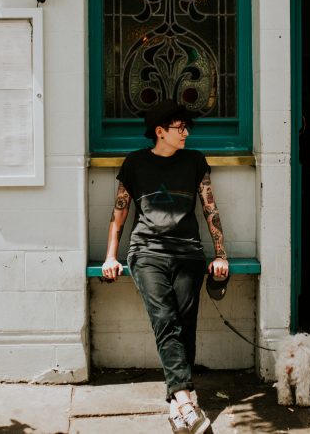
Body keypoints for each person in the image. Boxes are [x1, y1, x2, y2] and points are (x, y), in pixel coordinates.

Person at [102, 99, 229, 434]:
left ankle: (177, 400)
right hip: (146, 253)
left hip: (188, 253)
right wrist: (110, 256)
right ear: (160, 132)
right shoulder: (135, 164)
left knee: (185, 322)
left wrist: (221, 255)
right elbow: (119, 214)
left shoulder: (195, 162)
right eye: (179, 127)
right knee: (164, 319)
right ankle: (187, 401)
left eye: (186, 127)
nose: (185, 132)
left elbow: (210, 210)